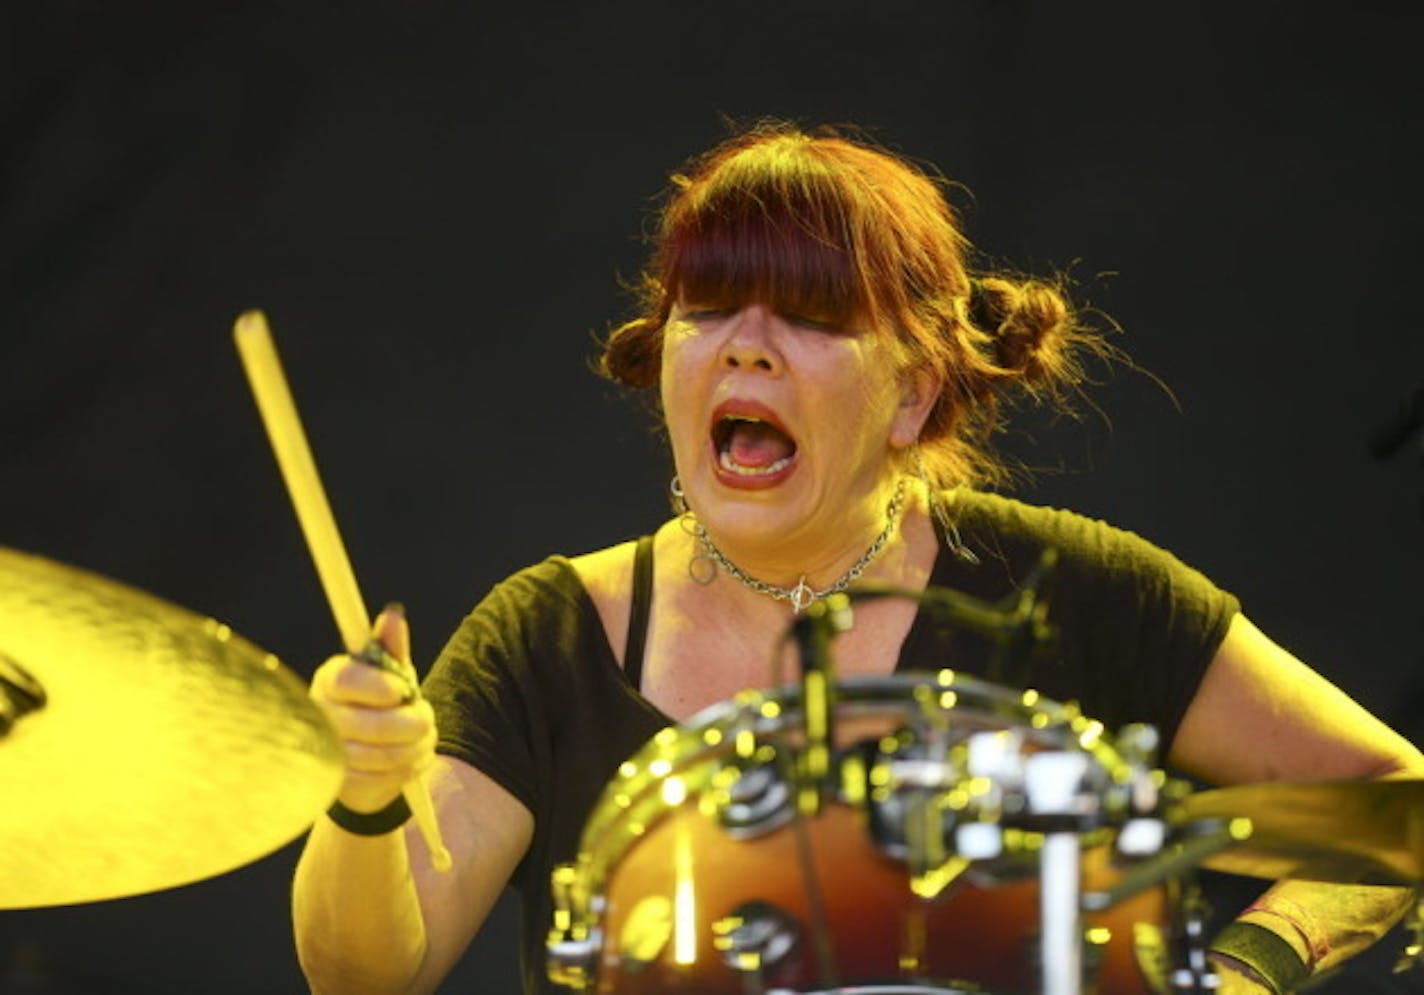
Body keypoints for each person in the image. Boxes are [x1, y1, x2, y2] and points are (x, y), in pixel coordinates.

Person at [290, 123, 1423, 995]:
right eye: (710, 306)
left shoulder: (1066, 594)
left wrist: (1243, 970)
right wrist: (363, 797)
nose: (745, 342)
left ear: (913, 391)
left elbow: (1393, 802)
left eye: (811, 317)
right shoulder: (548, 636)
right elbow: (366, 973)